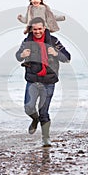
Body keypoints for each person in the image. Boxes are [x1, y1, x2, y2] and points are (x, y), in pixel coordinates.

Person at [15, 17, 71, 147]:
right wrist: (22, 55)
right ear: (31, 29)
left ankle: (46, 138)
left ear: (44, 28)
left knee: (44, 112)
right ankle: (35, 120)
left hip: (48, 80)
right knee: (28, 107)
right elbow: (18, 56)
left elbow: (67, 58)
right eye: (35, 29)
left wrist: (56, 53)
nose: (37, 31)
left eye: (40, 29)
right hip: (32, 79)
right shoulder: (27, 41)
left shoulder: (54, 41)